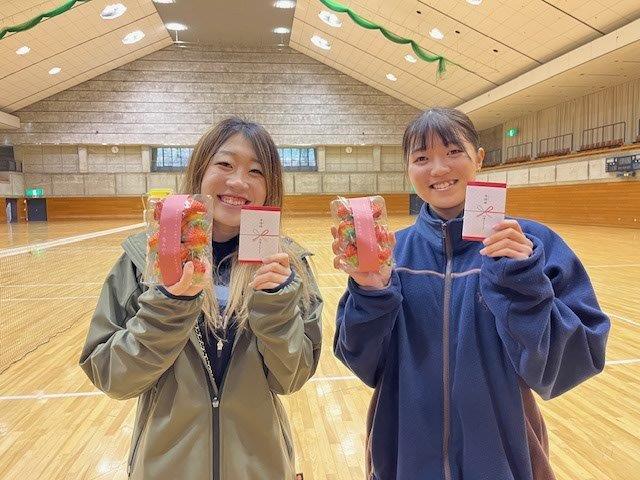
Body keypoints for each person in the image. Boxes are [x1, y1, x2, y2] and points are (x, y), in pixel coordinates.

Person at [332, 107, 610, 480]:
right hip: (404, 455)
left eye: (453, 152)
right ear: (407, 168)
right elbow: (361, 361)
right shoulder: (389, 255)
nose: (438, 169)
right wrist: (370, 293)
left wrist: (524, 283)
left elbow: (574, 360)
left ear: (478, 158)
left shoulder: (531, 246)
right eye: (421, 158)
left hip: (503, 458)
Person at [80, 117, 323, 479]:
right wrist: (167, 306)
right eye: (225, 164)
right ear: (199, 169)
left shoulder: (287, 268)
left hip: (259, 468)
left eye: (256, 171)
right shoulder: (142, 261)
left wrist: (276, 305)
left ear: (270, 187)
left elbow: (291, 379)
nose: (238, 181)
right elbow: (113, 377)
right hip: (166, 468)